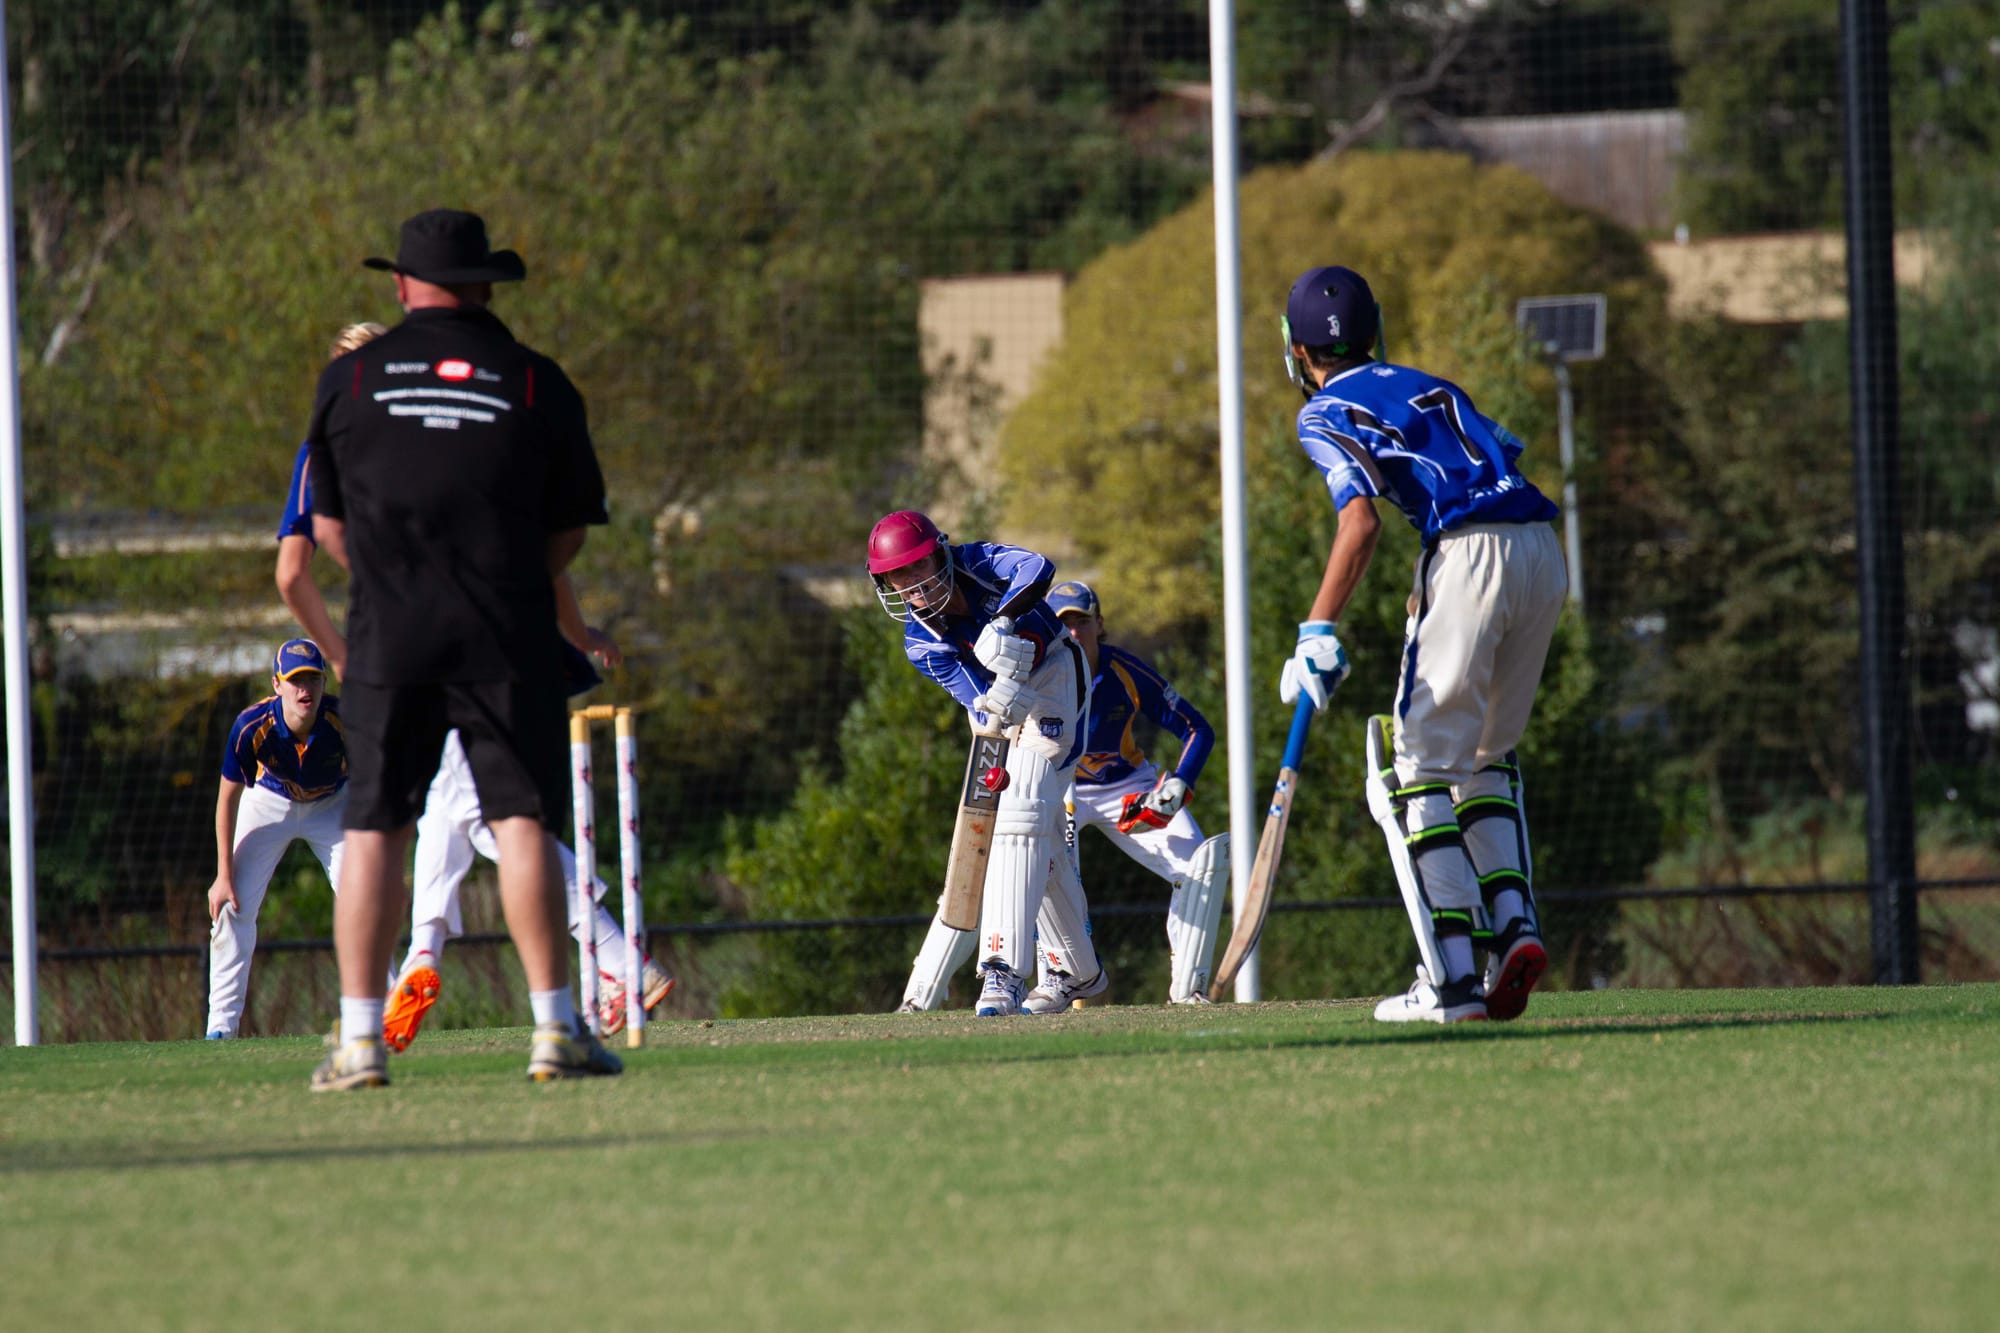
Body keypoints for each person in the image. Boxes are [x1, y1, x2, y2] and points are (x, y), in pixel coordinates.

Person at [273, 320, 663, 1054]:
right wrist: (577, 637)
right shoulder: (478, 410)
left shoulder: (335, 431)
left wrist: (349, 648)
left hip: (395, 647)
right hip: (496, 641)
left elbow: (299, 566)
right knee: (497, 818)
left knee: (395, 824)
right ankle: (560, 1001)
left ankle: (381, 1013)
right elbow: (557, 543)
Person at [304, 207, 618, 1088]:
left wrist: (394, 579)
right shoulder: (535, 380)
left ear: (400, 286)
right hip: (504, 632)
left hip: (387, 634)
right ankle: (555, 1029)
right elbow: (569, 534)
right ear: (487, 287)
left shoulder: (352, 380)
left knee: (374, 826)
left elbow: (328, 528)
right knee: (521, 822)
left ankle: (361, 1040)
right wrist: (509, 579)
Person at [1278, 265, 1566, 1024]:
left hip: (1465, 552)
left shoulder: (1324, 412)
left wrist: (1317, 629)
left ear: (1295, 350)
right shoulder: (1432, 382)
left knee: (1412, 773)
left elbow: (1360, 521)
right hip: (1541, 550)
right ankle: (1513, 928)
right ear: (1376, 330)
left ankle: (1453, 978)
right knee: (1484, 761)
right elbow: (1504, 451)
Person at [382, 638, 676, 1052]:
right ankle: (422, 951)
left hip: (465, 701)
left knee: (505, 832)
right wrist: (582, 633)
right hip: (515, 694)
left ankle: (623, 962)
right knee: (446, 821)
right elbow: (552, 579)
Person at [868, 510, 1104, 1016]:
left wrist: (1004, 623)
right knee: (1028, 824)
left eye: (917, 568)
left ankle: (1003, 973)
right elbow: (982, 705)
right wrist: (1003, 695)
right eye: (897, 577)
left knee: (1021, 811)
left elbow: (1039, 567)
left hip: (1059, 674)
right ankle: (1076, 970)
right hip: (1008, 699)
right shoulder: (922, 644)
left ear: (940, 554)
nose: (910, 586)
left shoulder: (977, 562)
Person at [1048, 581, 1231, 1004]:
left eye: (1081, 622)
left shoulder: (1126, 671)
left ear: (1100, 624)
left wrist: (1179, 782)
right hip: (1057, 786)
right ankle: (1052, 986)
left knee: (1197, 868)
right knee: (1033, 874)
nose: (1073, 633)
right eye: (1063, 625)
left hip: (1126, 785)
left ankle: (1188, 990)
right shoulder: (1040, 674)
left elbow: (1196, 728)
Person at [205, 639, 347, 1039]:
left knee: (365, 900)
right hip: (269, 799)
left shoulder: (344, 720)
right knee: (232, 905)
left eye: (313, 679)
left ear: (324, 682)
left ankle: (385, 1017)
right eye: (296, 680)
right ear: (277, 684)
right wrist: (223, 874)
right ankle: (220, 1029)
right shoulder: (251, 725)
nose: (306, 690)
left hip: (332, 803)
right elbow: (227, 799)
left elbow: (371, 782)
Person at [275, 322, 388, 679]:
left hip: (382, 640)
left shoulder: (321, 449)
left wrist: (339, 656)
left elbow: (291, 574)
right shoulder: (436, 434)